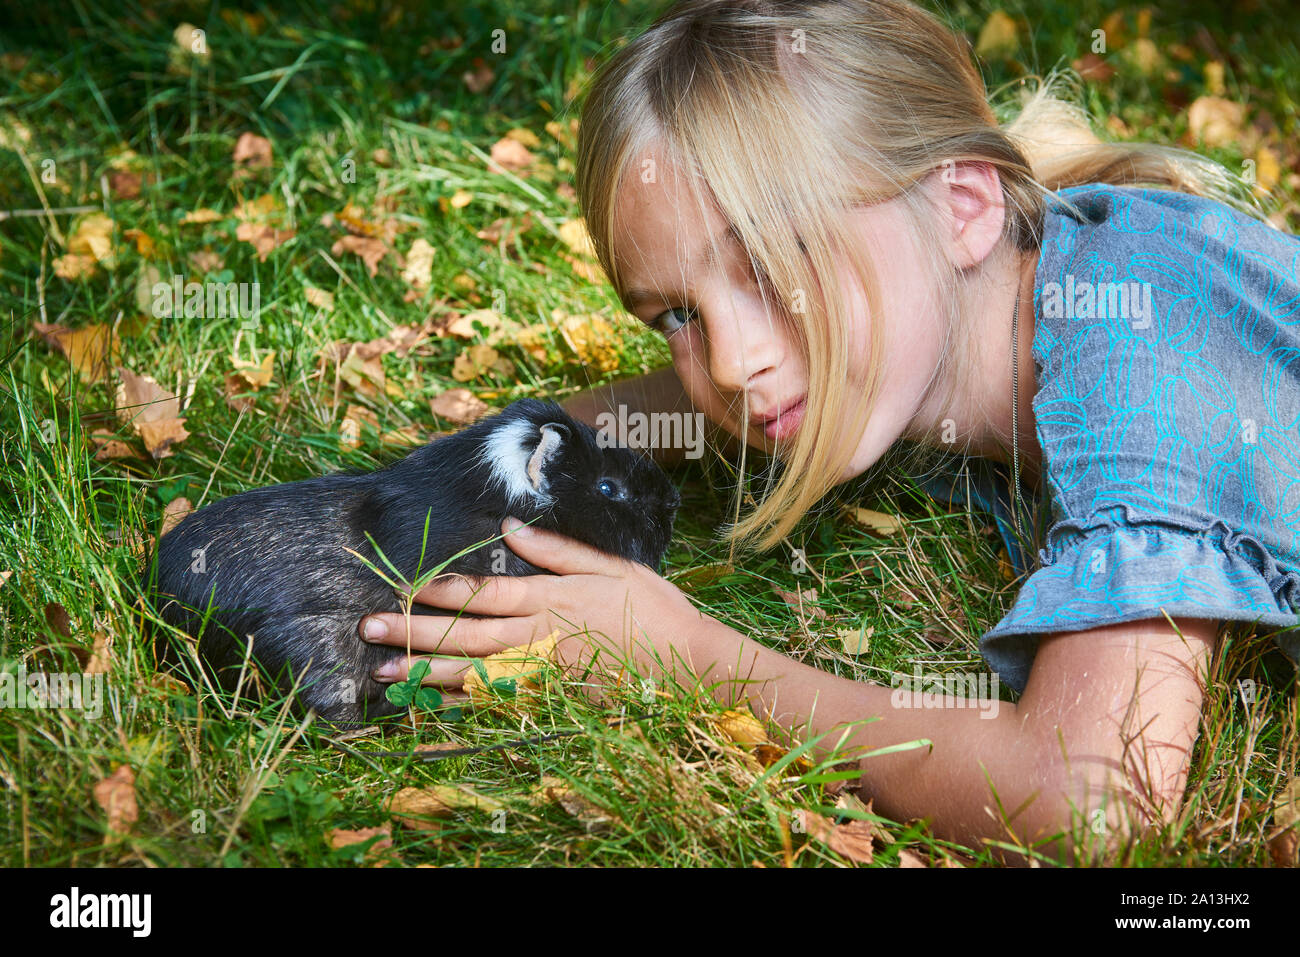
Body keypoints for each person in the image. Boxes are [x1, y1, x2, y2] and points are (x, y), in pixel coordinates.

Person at [357, 0, 1300, 862]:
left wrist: (688, 657)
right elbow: (684, 400)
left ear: (960, 204)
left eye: (772, 265)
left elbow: (1090, 802)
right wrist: (511, 446)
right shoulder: (974, 301)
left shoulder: (1141, 337)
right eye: (678, 313)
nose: (729, 360)